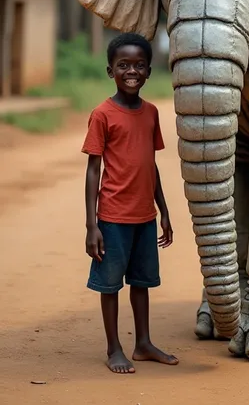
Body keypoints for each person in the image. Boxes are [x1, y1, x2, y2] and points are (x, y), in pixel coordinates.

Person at [83, 32, 179, 374]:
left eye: (139, 65)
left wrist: (164, 211)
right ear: (111, 71)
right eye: (123, 65)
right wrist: (91, 225)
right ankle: (113, 348)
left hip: (145, 217)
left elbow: (149, 165)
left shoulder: (151, 113)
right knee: (109, 284)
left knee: (142, 282)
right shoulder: (102, 114)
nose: (131, 71)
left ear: (149, 71)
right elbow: (94, 170)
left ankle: (143, 343)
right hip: (112, 217)